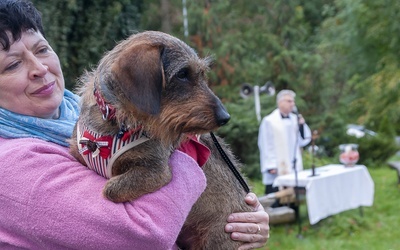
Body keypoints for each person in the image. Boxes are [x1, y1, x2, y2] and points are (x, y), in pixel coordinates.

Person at [0, 1, 269, 249]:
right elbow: (144, 234)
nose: (40, 68)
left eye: (42, 49)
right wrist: (185, 151)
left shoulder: (77, 117)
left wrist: (244, 218)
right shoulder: (12, 167)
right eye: (12, 64)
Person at [258, 89, 311, 204]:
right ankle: (274, 215)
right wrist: (270, 164)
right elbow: (265, 144)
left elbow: (304, 140)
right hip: (277, 164)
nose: (293, 104)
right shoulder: (269, 121)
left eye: (293, 101)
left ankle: (293, 212)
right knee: (276, 192)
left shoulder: (295, 119)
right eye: (289, 101)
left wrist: (302, 125)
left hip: (293, 163)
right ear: (280, 102)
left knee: (293, 190)